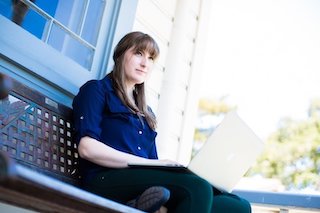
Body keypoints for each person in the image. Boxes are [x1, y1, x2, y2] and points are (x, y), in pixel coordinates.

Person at [72, 31, 251, 213]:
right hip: (104, 179)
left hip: (140, 182)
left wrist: (166, 168)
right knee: (198, 187)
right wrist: (146, 164)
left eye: (151, 58)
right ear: (120, 55)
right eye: (138, 54)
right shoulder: (97, 90)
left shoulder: (146, 112)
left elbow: (152, 163)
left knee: (238, 205)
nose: (145, 63)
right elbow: (87, 148)